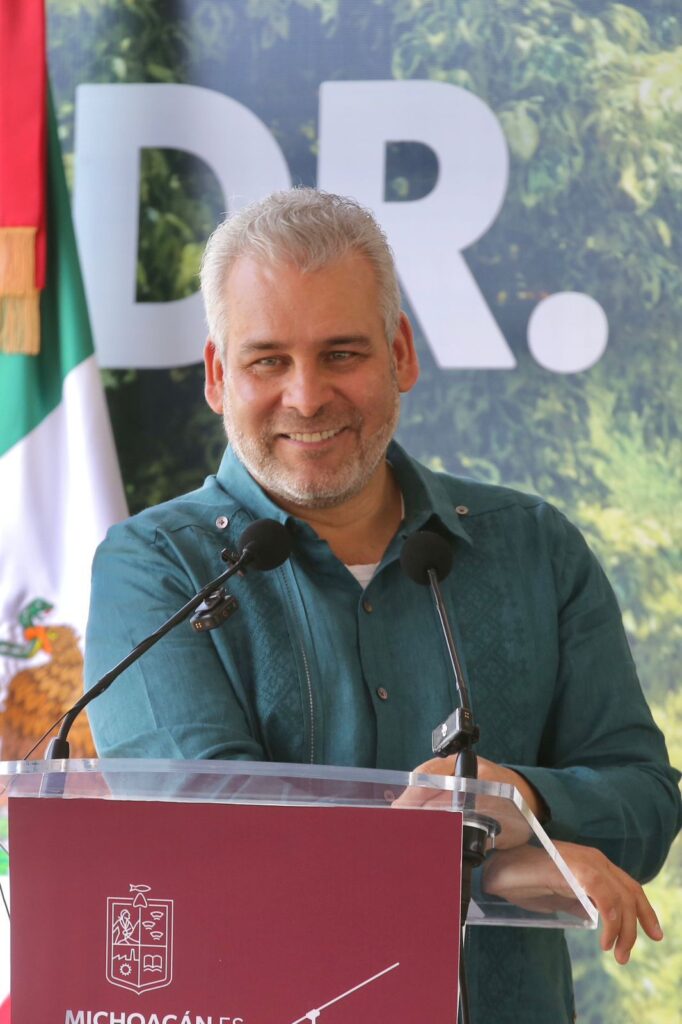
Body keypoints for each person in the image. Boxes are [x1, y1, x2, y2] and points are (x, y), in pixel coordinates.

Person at [85, 188, 681, 1023]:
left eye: (341, 353)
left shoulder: (534, 546)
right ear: (219, 376)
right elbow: (211, 832)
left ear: (401, 353)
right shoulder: (153, 567)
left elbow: (646, 804)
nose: (306, 396)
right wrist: (489, 863)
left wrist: (518, 800)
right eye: (268, 361)